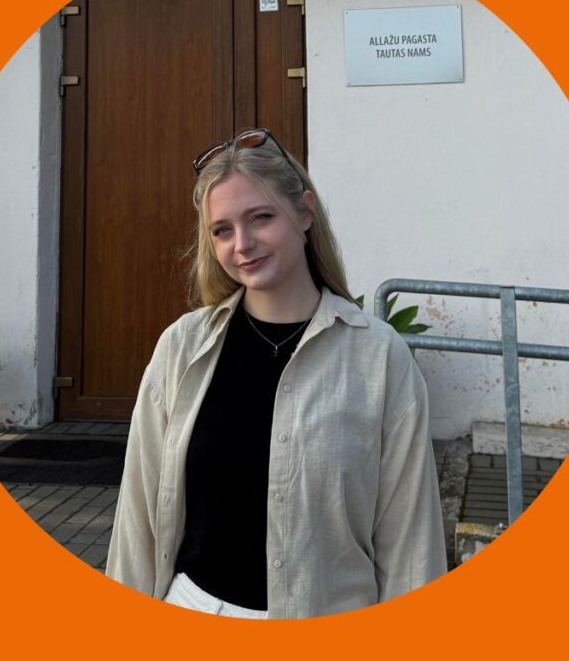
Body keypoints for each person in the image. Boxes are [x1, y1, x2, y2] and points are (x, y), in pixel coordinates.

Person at [106, 128, 446, 619]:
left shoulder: (379, 357)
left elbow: (410, 540)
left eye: (260, 218)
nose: (242, 244)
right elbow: (137, 516)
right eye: (222, 230)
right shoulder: (181, 347)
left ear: (304, 212)